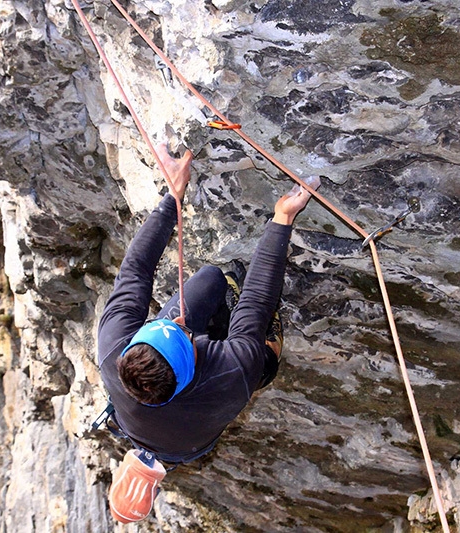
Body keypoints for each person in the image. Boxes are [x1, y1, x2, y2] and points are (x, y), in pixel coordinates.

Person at [96, 144, 319, 523]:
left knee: (210, 279)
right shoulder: (232, 374)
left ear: (134, 346)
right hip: (209, 409)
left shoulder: (112, 350)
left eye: (163, 327)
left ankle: (149, 456)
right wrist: (282, 218)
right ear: (189, 367)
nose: (180, 322)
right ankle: (153, 453)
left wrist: (173, 195)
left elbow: (135, 271)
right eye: (183, 333)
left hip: (180, 430)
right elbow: (257, 302)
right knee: (262, 355)